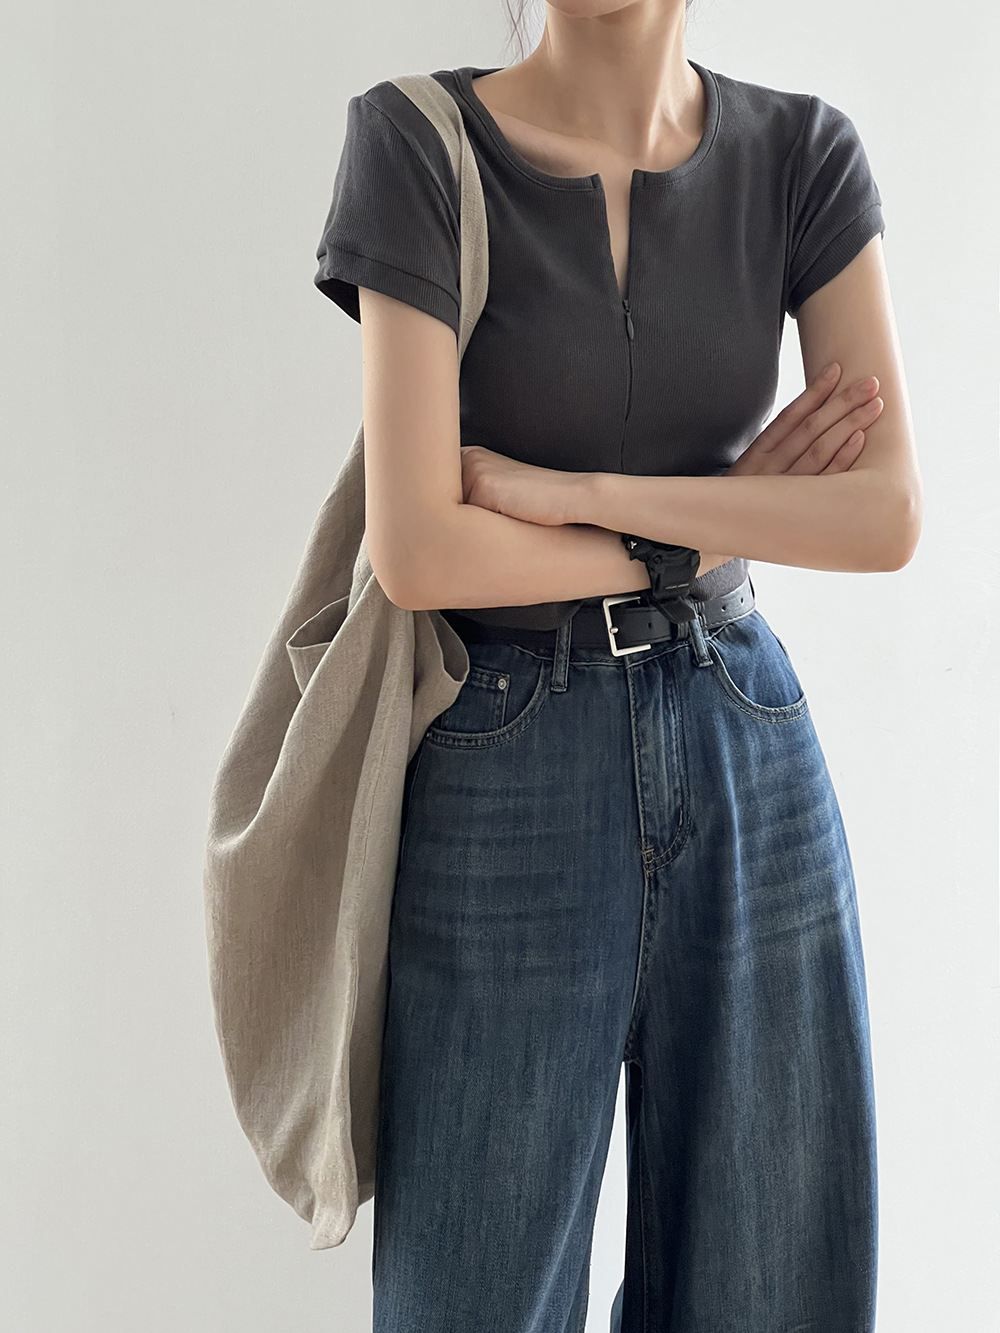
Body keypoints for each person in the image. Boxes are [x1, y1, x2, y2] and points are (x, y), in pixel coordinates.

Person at [312, 5, 922, 1329]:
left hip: (748, 739)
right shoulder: (420, 142)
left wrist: (583, 499)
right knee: (473, 1292)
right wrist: (716, 522)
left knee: (774, 1286)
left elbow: (883, 517)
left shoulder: (803, 154)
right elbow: (420, 548)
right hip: (505, 755)